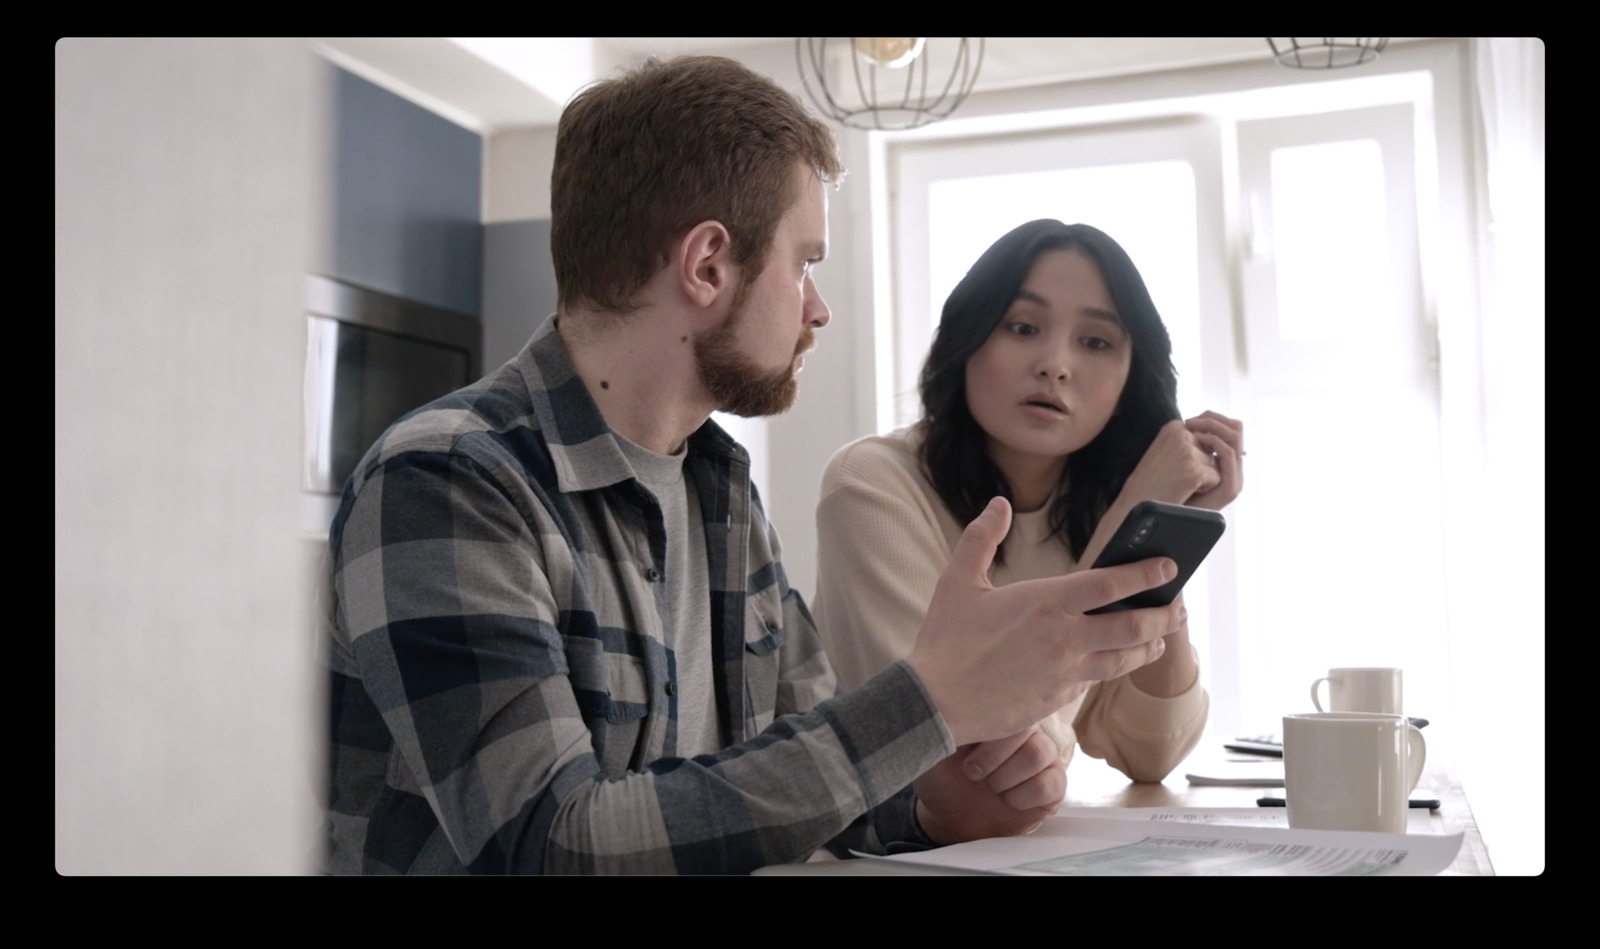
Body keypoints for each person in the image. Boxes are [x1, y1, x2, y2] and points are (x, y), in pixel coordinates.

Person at [322, 59, 1187, 875]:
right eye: (804, 261)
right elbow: (553, 845)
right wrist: (931, 699)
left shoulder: (718, 487)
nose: (819, 307)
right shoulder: (447, 483)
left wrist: (926, 807)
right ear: (707, 265)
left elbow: (791, 769)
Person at [814, 219, 1244, 783]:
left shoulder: (1090, 504)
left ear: (1126, 388)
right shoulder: (870, 486)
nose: (1055, 364)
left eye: (1095, 342)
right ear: (965, 343)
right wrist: (1131, 516)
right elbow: (981, 761)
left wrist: (1164, 527)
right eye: (1021, 327)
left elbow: (1153, 748)